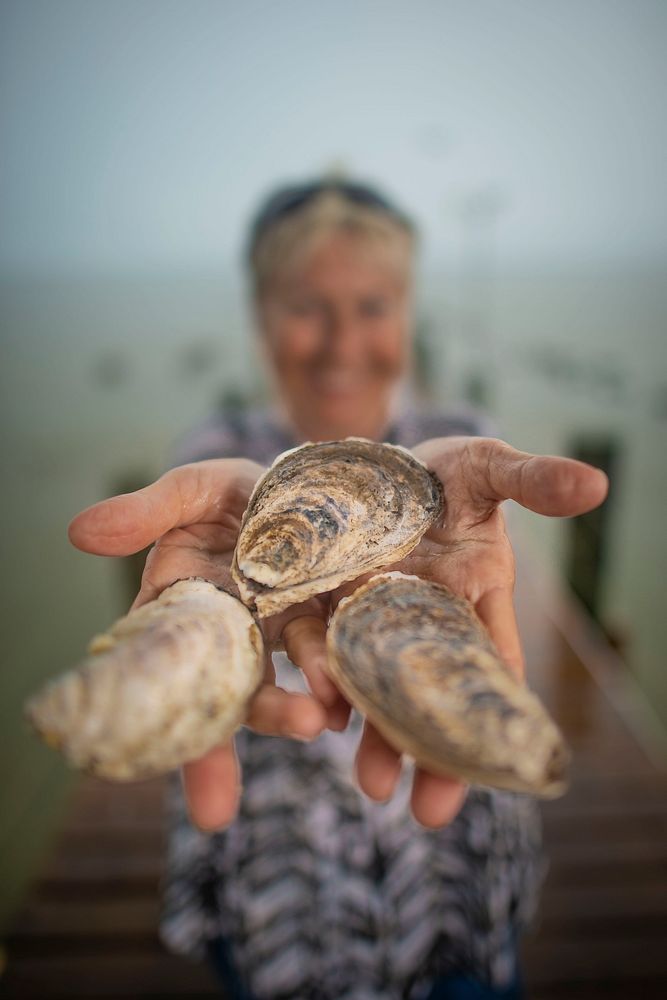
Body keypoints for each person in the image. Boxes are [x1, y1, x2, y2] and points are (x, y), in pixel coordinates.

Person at [69, 179, 608, 1000]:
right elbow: (209, 542)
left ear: (407, 312)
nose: (341, 342)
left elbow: (476, 566)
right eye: (306, 307)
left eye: (372, 305)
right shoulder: (220, 456)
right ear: (259, 319)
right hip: (283, 877)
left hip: (448, 873)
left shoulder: (453, 438)